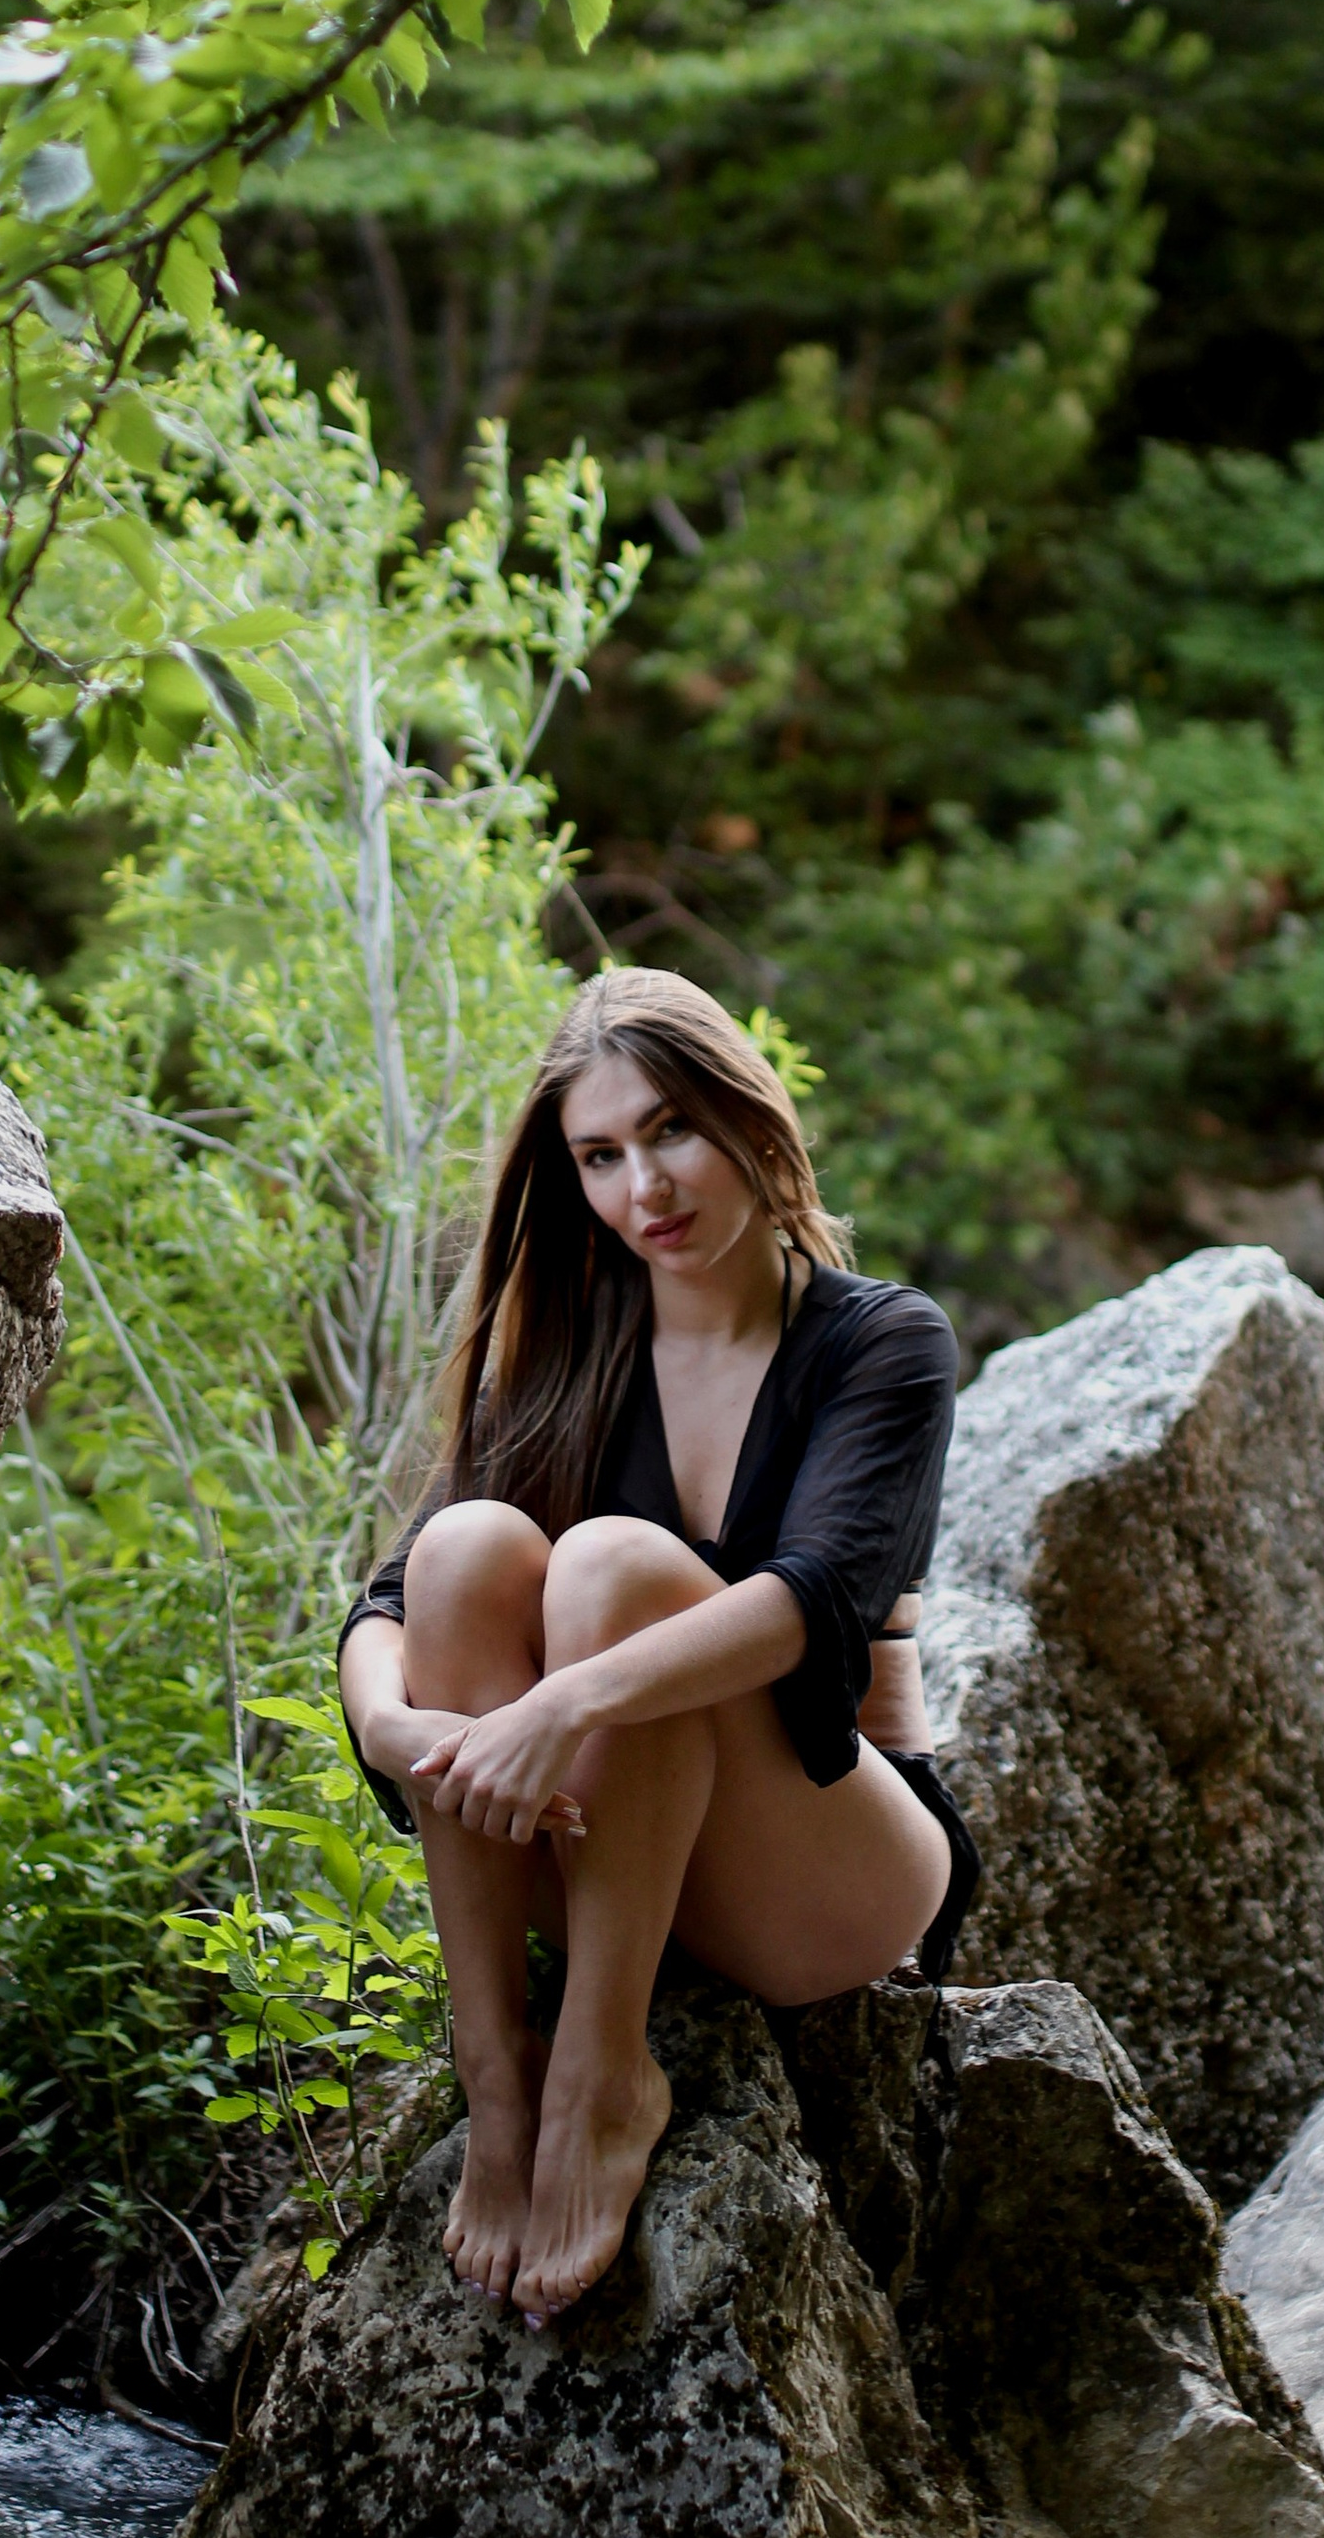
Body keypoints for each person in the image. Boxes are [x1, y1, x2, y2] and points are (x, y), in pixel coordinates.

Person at [337, 968, 980, 2335]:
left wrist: (564, 1700)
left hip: (831, 1863)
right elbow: (389, 1606)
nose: (648, 1188)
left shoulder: (883, 1344)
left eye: (673, 1129)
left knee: (615, 1565)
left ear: (750, 1117)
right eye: (601, 1156)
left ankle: (602, 2080)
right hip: (614, 1850)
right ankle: (498, 2080)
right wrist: (395, 1734)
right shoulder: (574, 1354)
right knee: (464, 1552)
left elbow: (816, 1599)